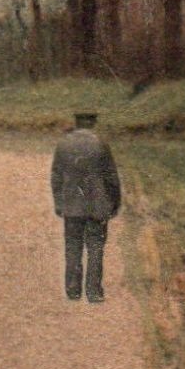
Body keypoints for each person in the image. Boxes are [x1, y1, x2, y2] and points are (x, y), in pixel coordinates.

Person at [50, 111, 121, 303]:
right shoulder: (101, 144)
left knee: (73, 247)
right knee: (96, 247)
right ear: (92, 122)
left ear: (77, 122)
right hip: (97, 206)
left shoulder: (63, 144)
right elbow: (111, 177)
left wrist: (58, 202)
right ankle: (94, 291)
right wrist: (115, 202)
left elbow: (56, 176)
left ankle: (73, 291)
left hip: (72, 206)